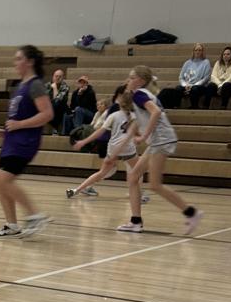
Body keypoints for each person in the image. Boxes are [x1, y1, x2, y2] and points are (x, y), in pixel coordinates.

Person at [118, 65, 201, 235]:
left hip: (161, 140)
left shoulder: (139, 94)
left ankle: (191, 212)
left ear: (141, 81)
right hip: (158, 141)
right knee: (133, 177)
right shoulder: (141, 95)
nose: (128, 80)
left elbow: (155, 112)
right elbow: (147, 117)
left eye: (132, 77)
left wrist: (143, 136)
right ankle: (135, 222)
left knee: (154, 184)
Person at [0, 45, 53, 239]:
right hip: (13, 140)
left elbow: (47, 114)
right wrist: (8, 131)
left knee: (3, 178)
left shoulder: (35, 84)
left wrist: (19, 125)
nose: (15, 62)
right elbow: (20, 115)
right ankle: (12, 224)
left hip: (25, 142)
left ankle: (35, 215)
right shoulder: (20, 86)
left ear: (30, 62)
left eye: (19, 58)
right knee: (0, 180)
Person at [66, 88, 143, 199]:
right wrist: (138, 137)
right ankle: (137, 194)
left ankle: (76, 190)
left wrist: (83, 141)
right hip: (128, 149)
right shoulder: (135, 117)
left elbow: (100, 131)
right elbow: (137, 133)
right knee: (138, 171)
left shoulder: (113, 115)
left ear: (120, 103)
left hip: (113, 148)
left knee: (102, 172)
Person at [159, 44, 210, 109]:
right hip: (187, 85)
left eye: (200, 50)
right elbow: (181, 77)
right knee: (178, 88)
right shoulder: (187, 63)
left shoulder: (206, 62)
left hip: (199, 86)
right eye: (196, 50)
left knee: (194, 89)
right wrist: (185, 85)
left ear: (202, 52)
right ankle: (176, 106)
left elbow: (206, 78)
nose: (197, 52)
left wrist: (193, 85)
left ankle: (194, 106)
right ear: (193, 51)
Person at [200, 46, 231, 111]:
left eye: (228, 54)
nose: (225, 56)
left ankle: (223, 106)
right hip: (219, 86)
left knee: (226, 85)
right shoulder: (218, 62)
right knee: (211, 85)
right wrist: (219, 85)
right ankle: (205, 105)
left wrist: (222, 85)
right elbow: (213, 76)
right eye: (224, 54)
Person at [48, 68, 69, 135]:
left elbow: (57, 100)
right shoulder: (47, 85)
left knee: (56, 104)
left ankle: (55, 127)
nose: (57, 78)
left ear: (63, 78)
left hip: (61, 108)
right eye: (56, 76)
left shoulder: (65, 87)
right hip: (50, 106)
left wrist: (54, 88)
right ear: (53, 77)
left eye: (60, 77)